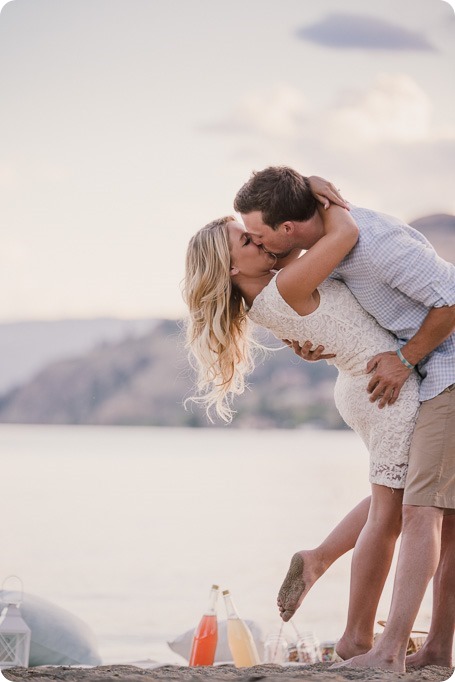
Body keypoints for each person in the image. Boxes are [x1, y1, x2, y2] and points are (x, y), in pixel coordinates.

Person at [233, 166, 455, 671]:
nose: (262, 246)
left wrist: (406, 358)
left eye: (260, 235)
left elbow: (453, 298)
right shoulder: (325, 249)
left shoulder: (375, 246)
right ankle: (435, 648)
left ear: (288, 228)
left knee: (418, 510)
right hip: (419, 374)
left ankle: (388, 649)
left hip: (445, 370)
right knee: (436, 512)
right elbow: (341, 317)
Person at [184, 201, 421, 665]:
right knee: (394, 513)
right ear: (232, 266)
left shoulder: (268, 296)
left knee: (401, 496)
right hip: (384, 388)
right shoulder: (287, 284)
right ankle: (356, 636)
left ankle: (318, 559)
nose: (264, 239)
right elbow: (346, 233)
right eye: (249, 240)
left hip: (364, 384)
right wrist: (318, 192)